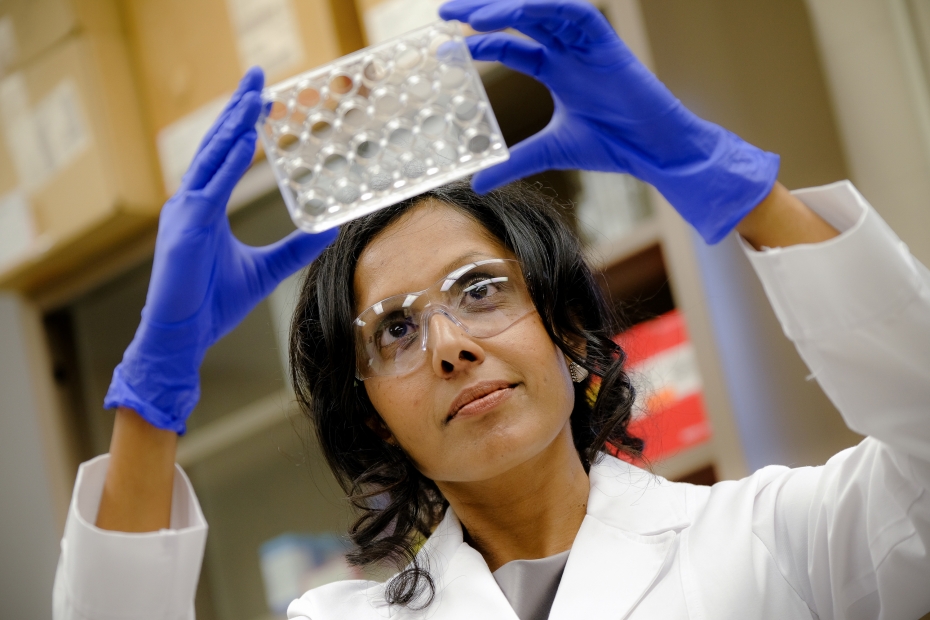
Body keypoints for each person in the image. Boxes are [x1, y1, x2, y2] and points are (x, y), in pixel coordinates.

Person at [53, 1, 930, 619]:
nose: (448, 346)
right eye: (395, 328)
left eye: (480, 291)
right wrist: (152, 393)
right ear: (377, 419)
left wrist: (733, 183)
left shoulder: (781, 539)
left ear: (573, 337)